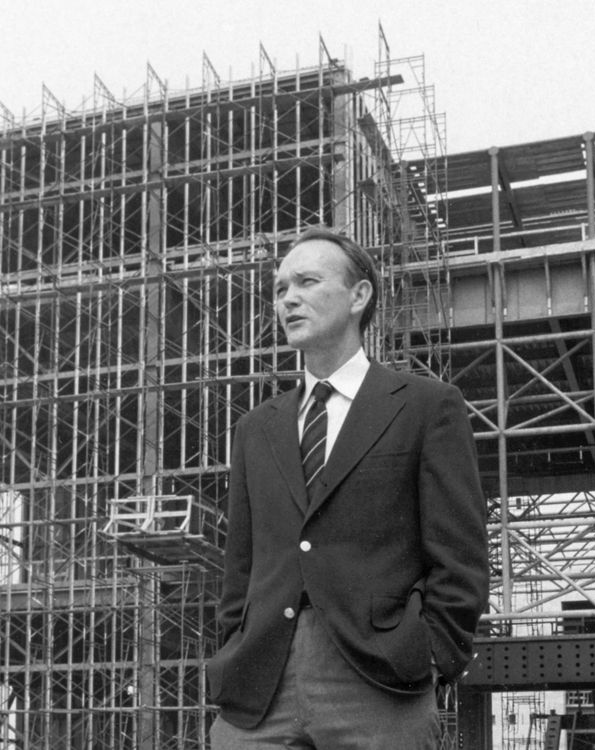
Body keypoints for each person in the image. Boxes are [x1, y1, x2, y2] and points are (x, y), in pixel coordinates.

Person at [206, 227, 489, 749]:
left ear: (360, 296)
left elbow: (461, 553)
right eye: (279, 288)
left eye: (307, 281)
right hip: (257, 689)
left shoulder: (427, 406)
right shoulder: (255, 429)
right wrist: (234, 642)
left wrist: (430, 651)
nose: (288, 297)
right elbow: (240, 565)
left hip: (378, 681)